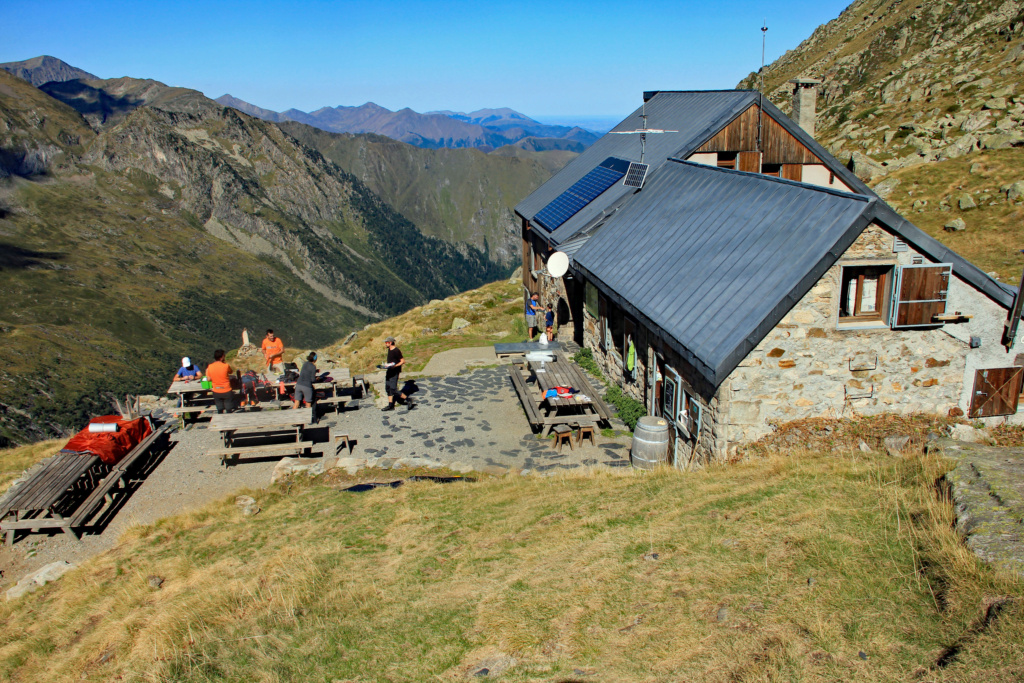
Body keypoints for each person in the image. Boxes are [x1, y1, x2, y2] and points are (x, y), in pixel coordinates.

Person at [381, 337, 413, 411]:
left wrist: (394, 366)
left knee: (393, 389)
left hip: (394, 371)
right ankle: (390, 405)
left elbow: (403, 361)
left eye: (386, 342)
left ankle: (408, 400)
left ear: (391, 342)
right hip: (389, 370)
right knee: (388, 388)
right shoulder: (389, 349)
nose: (385, 344)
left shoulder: (396, 350)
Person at [207, 349, 234, 414]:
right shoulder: (226, 366)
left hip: (216, 391)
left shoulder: (210, 366)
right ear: (222, 357)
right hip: (227, 390)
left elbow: (208, 379)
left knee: (219, 409)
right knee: (229, 409)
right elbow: (231, 372)